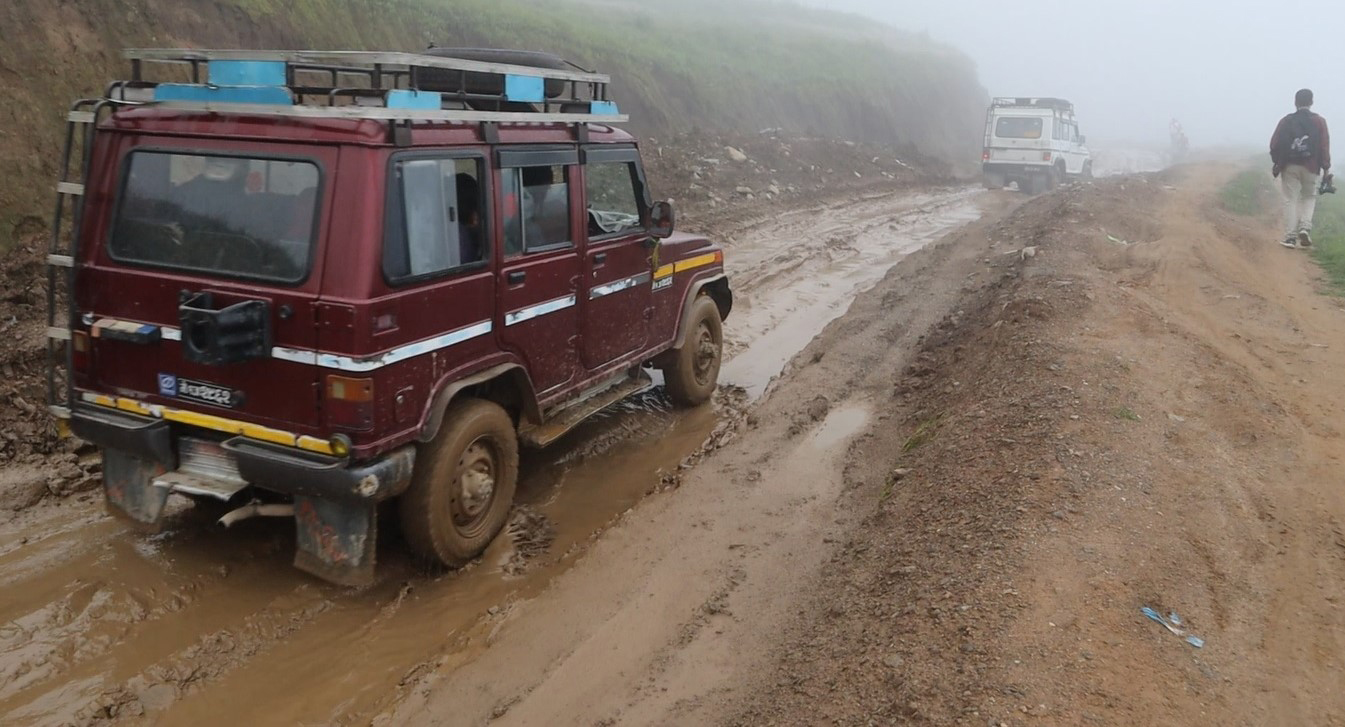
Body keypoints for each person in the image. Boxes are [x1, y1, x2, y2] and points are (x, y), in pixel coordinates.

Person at [1270, 89, 1331, 249]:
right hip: (1312, 166)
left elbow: (1274, 143)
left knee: (1290, 199)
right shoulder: (1320, 121)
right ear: (1311, 102)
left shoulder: (1286, 121)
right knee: (1309, 197)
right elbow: (1324, 145)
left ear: (1295, 102)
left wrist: (1277, 162)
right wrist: (1326, 168)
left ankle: (1290, 238)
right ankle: (1305, 228)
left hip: (1290, 165)